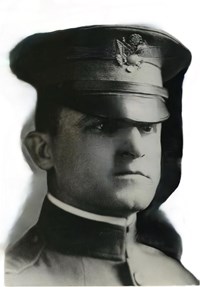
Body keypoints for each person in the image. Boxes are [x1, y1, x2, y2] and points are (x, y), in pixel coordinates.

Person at [4, 25, 199, 285]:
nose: (136, 148)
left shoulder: (177, 280)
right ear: (43, 150)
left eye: (146, 127)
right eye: (103, 125)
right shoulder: (16, 279)